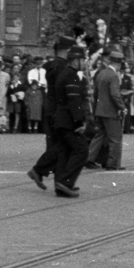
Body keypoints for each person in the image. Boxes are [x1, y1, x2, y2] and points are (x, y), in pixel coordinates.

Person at [28, 36, 74, 189]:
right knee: (63, 145)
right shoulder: (62, 67)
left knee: (58, 144)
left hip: (51, 108)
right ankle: (40, 170)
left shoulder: (50, 65)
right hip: (59, 110)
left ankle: (57, 180)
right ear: (66, 50)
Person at [45, 45, 90, 197]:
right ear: (76, 61)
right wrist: (79, 121)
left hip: (60, 119)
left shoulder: (65, 73)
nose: (84, 63)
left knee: (65, 151)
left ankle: (61, 186)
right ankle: (65, 182)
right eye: (83, 60)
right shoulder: (72, 75)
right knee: (82, 149)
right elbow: (73, 100)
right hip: (68, 120)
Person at [87, 47, 127, 170]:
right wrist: (122, 107)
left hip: (100, 110)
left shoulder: (101, 73)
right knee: (115, 138)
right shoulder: (113, 75)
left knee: (99, 136)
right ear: (119, 63)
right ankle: (112, 163)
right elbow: (115, 94)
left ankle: (88, 158)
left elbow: (96, 94)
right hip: (110, 112)